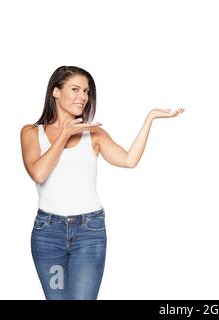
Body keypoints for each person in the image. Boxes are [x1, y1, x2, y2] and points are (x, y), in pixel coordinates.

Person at [20, 65, 185, 299]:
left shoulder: (93, 134)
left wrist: (150, 118)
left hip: (89, 232)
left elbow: (129, 160)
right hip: (48, 235)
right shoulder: (31, 132)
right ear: (55, 92)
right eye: (75, 89)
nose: (83, 97)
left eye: (86, 91)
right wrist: (65, 134)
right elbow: (39, 173)